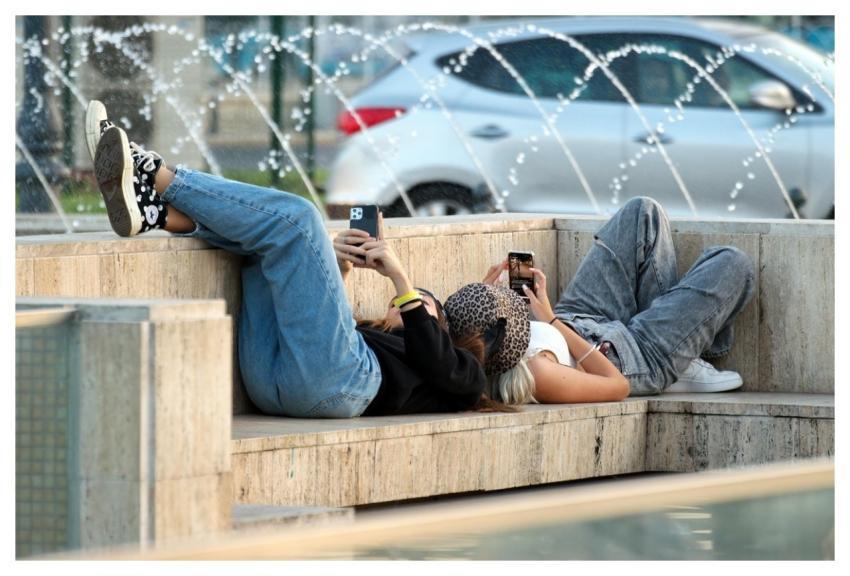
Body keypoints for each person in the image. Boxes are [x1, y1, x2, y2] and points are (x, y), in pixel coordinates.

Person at [85, 100, 525, 418]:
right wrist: (339, 264)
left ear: (440, 325)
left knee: (299, 216)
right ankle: (156, 215)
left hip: (337, 387)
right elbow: (312, 322)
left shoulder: (464, 377)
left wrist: (401, 279)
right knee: (263, 246)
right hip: (275, 383)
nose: (408, 305)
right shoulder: (370, 338)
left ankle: (151, 171)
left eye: (426, 304)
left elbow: (436, 358)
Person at [460, 197, 754, 405]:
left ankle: (681, 351)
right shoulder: (538, 373)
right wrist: (550, 321)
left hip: (575, 316)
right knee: (733, 264)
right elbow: (617, 385)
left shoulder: (475, 337)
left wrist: (486, 296)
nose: (501, 298)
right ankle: (679, 361)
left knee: (641, 212)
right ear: (501, 334)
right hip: (629, 356)